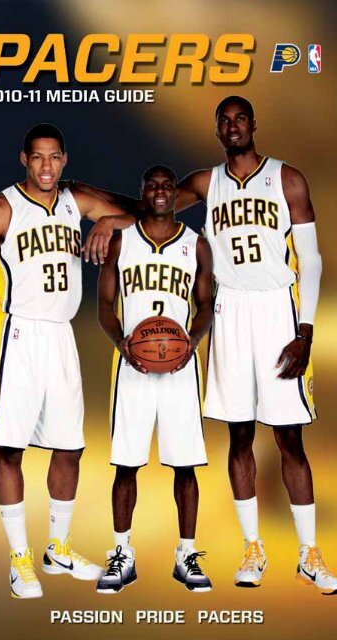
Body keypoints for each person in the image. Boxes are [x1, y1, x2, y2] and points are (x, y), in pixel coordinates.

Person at [81, 97, 337, 595]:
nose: (231, 127)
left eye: (239, 118)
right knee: (240, 435)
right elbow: (152, 209)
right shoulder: (207, 183)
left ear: (253, 124)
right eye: (223, 121)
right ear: (217, 130)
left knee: (289, 437)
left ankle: (310, 555)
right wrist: (107, 218)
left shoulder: (287, 179)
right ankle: (254, 549)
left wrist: (305, 330)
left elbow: (310, 260)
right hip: (228, 313)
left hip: (275, 310)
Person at [0, 123, 130, 599]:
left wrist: (108, 222)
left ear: (65, 159)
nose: (47, 166)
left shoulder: (77, 202)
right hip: (15, 334)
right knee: (9, 447)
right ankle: (19, 558)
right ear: (24, 160)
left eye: (55, 157)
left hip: (60, 335)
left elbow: (148, 214)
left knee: (70, 445)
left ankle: (57, 546)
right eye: (38, 158)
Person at [96, 165, 213, 594]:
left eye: (167, 186)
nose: (160, 192)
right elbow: (105, 304)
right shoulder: (123, 242)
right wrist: (121, 343)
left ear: (174, 193)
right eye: (152, 186)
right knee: (126, 464)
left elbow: (205, 305)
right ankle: (122, 555)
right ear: (142, 192)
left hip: (181, 369)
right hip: (132, 366)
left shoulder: (196, 245)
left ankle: (186, 556)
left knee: (186, 464)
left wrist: (192, 342)